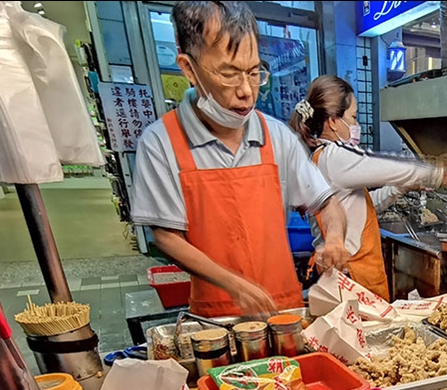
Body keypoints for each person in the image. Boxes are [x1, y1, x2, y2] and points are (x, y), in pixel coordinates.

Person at [131, 1, 349, 317]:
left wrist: (335, 240)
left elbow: (326, 203)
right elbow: (165, 236)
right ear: (189, 68)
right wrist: (233, 284)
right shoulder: (160, 142)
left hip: (284, 311)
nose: (247, 91)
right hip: (216, 320)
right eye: (230, 73)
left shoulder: (277, 136)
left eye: (254, 72)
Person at [289, 75, 447, 301]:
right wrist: (437, 171)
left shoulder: (320, 158)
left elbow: (361, 209)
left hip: (347, 278)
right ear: (333, 121)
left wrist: (400, 188)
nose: (356, 126)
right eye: (353, 117)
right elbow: (387, 164)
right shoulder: (335, 157)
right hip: (351, 278)